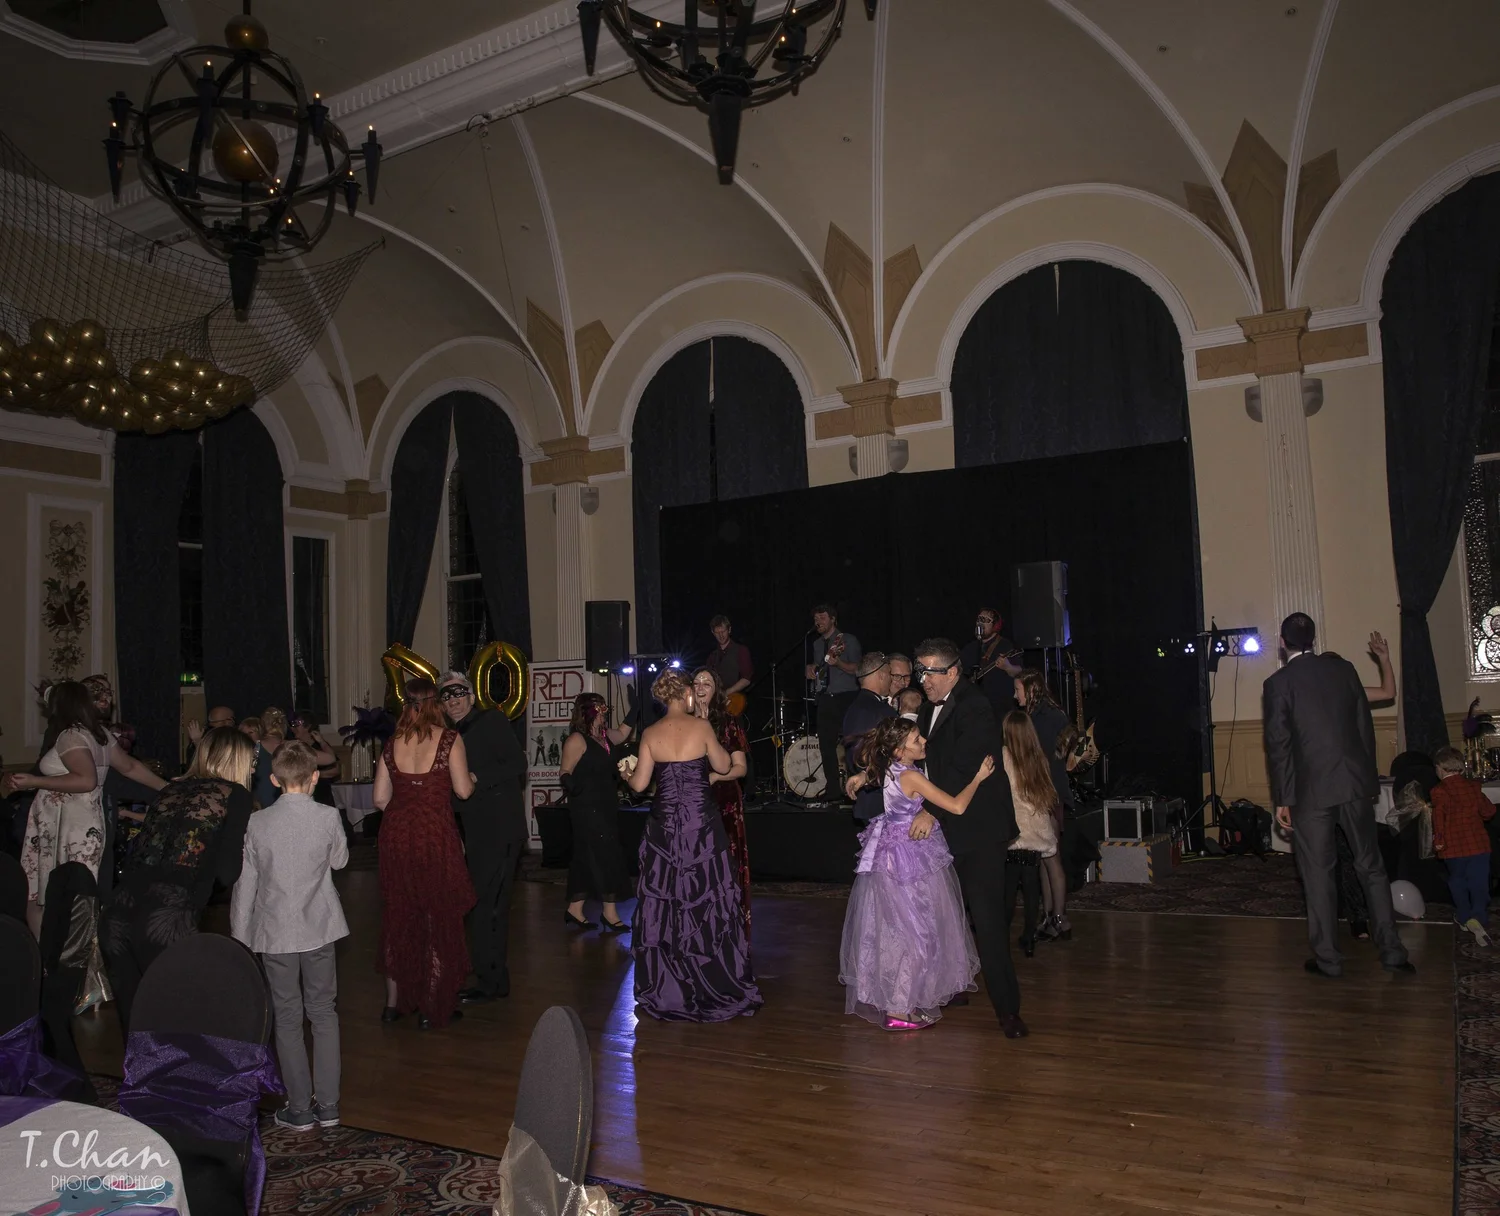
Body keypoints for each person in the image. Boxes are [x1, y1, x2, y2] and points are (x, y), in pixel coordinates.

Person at [1262, 612, 1414, 978]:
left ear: (1282, 643)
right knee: (1371, 866)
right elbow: (1364, 727)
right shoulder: (1344, 670)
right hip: (1353, 784)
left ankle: (1328, 959)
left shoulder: (1278, 683)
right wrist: (1367, 780)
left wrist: (1283, 798)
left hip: (1310, 792)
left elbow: (1279, 746)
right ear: (1314, 639)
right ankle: (1392, 952)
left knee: (1318, 874)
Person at [899, 639, 1028, 1037]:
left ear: (952, 672)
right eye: (919, 672)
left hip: (978, 828)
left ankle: (1008, 1011)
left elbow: (962, 766)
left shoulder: (975, 705)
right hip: (945, 828)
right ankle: (953, 985)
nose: (922, 680)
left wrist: (929, 810)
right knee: (944, 914)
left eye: (929, 672)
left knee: (987, 921)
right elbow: (909, 754)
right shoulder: (926, 708)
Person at [624, 670, 761, 1021]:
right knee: (706, 896)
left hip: (665, 827)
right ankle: (712, 976)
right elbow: (723, 764)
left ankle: (670, 984)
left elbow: (639, 785)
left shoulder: (650, 733)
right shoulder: (701, 728)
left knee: (666, 898)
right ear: (686, 694)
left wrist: (625, 773)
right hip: (700, 825)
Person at [99, 726, 253, 1028]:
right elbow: (227, 872)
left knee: (136, 1024)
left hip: (116, 914)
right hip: (166, 917)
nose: (253, 769)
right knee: (182, 1024)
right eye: (251, 761)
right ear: (236, 760)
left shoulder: (169, 791)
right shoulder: (234, 794)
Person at [839, 716, 987, 1030]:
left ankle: (903, 1001)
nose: (923, 742)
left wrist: (861, 776)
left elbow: (875, 770)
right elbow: (957, 807)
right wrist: (978, 778)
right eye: (916, 740)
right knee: (915, 932)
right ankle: (898, 1009)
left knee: (902, 931)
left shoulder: (890, 767)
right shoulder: (910, 776)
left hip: (892, 852)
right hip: (908, 857)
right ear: (899, 751)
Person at [230, 741, 348, 1132]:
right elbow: (340, 861)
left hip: (275, 932)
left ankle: (299, 1108)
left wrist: (240, 935)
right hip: (319, 928)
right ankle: (328, 1105)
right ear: (314, 777)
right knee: (324, 1013)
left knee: (287, 1017)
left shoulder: (258, 822)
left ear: (274, 779)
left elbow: (246, 884)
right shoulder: (327, 815)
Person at [8, 682, 166, 936]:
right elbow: (130, 767)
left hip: (66, 825)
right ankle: (70, 950)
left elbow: (86, 780)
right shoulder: (98, 733)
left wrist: (34, 781)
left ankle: (51, 953)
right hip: (85, 821)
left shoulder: (71, 736)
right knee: (76, 894)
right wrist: (166, 786)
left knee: (49, 894)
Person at [373, 677, 476, 1029]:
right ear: (436, 704)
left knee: (399, 915)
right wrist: (472, 778)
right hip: (434, 836)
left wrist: (407, 812)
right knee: (437, 916)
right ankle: (433, 1006)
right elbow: (463, 791)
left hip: (397, 836)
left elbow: (380, 799)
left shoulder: (392, 743)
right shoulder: (449, 739)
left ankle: (393, 1004)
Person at [438, 671, 528, 1002]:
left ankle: (490, 982)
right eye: (446, 696)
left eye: (458, 693)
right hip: (476, 832)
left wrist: (476, 776)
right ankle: (491, 978)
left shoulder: (491, 721)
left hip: (501, 830)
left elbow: (518, 762)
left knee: (490, 907)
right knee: (481, 905)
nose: (453, 701)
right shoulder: (450, 735)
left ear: (472, 696)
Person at [559, 692, 633, 932]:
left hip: (606, 805)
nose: (604, 713)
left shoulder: (605, 737)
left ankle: (575, 909)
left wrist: (636, 708)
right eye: (600, 708)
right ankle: (610, 914)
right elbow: (565, 771)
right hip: (587, 808)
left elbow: (623, 734)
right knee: (605, 856)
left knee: (588, 857)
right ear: (588, 711)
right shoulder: (577, 740)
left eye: (605, 708)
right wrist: (574, 786)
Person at [1014, 670, 1077, 943]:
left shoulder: (1043, 718)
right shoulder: (1048, 715)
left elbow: (1046, 761)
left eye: (1018, 690)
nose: (1015, 695)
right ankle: (1051, 916)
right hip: (1047, 794)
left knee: (1051, 858)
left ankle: (1060, 918)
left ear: (1031, 690)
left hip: (1048, 796)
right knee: (1045, 856)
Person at [692, 667, 752, 934]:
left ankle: (727, 927)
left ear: (716, 689)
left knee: (725, 863)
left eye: (706, 683)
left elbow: (741, 769)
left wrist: (716, 776)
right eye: (696, 682)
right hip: (693, 801)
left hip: (724, 800)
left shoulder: (728, 721)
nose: (701, 687)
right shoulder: (684, 723)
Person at [1001, 711, 1061, 957]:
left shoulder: (1004, 757)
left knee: (1008, 888)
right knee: (1031, 887)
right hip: (1036, 832)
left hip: (1014, 831)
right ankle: (1029, 938)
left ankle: (1001, 938)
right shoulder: (1038, 757)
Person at [1430, 745, 1496, 944]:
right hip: (1479, 845)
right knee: (1479, 882)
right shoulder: (1474, 787)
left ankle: (1464, 916)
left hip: (1454, 847)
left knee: (1457, 880)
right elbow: (1489, 812)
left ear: (1441, 769)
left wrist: (1439, 841)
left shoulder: (1439, 791)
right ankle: (1478, 916)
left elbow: (1438, 819)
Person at [806, 604, 862, 804]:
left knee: (852, 744)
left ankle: (855, 788)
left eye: (822, 618)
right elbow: (821, 670)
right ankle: (833, 791)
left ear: (832, 619)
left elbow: (858, 668)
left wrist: (839, 663)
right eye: (815, 619)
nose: (817, 622)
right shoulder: (816, 644)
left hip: (846, 697)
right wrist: (811, 669)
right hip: (825, 698)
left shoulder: (848, 640)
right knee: (826, 745)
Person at [841, 653, 896, 823]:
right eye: (890, 674)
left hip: (868, 799)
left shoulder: (854, 708)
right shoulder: (878, 710)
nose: (892, 679)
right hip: (879, 802)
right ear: (881, 675)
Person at [959, 610, 1022, 717]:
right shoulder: (970, 647)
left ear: (995, 626)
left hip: (999, 709)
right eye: (979, 619)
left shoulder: (1005, 645)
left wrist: (1008, 667)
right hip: (975, 707)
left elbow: (1020, 672)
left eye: (985, 620)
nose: (980, 623)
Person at [290, 712, 341, 806]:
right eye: (292, 725)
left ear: (307, 726)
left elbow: (336, 770)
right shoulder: (295, 747)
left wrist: (312, 776)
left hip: (321, 795)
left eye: (296, 724)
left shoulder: (320, 746)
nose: (292, 728)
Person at [708, 615, 754, 698]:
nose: (721, 635)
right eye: (717, 633)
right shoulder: (712, 656)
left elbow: (746, 679)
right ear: (713, 633)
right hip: (717, 700)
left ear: (729, 630)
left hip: (736, 700)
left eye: (723, 631)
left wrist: (726, 693)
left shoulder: (741, 650)